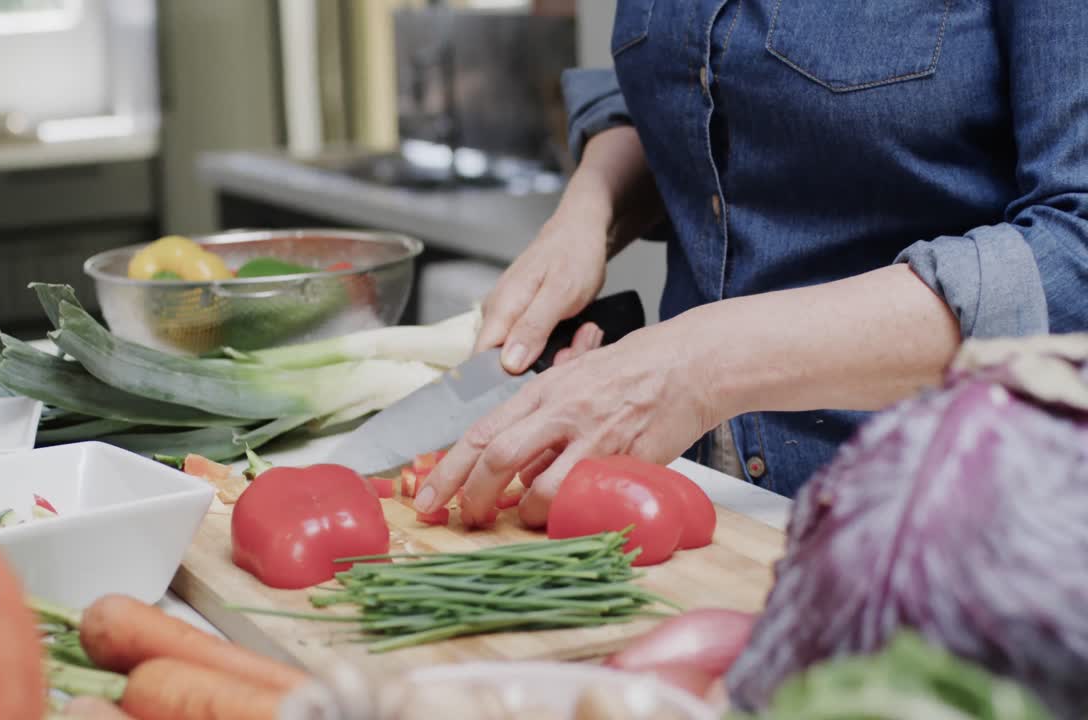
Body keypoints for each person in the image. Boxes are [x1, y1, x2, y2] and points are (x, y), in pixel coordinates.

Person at [415, 1, 1088, 528]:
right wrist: (592, 209)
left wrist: (699, 366)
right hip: (698, 499)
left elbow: (1073, 252)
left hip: (942, 520)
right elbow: (702, 82)